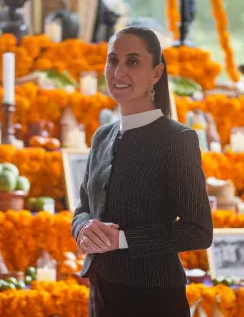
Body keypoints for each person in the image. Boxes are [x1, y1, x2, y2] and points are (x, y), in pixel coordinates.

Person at [71, 26, 213, 317]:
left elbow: (199, 231)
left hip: (152, 300)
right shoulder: (102, 136)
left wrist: (121, 240)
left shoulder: (177, 139)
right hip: (100, 294)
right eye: (113, 60)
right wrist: (83, 229)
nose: (118, 71)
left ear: (156, 73)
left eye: (132, 61)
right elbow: (82, 209)